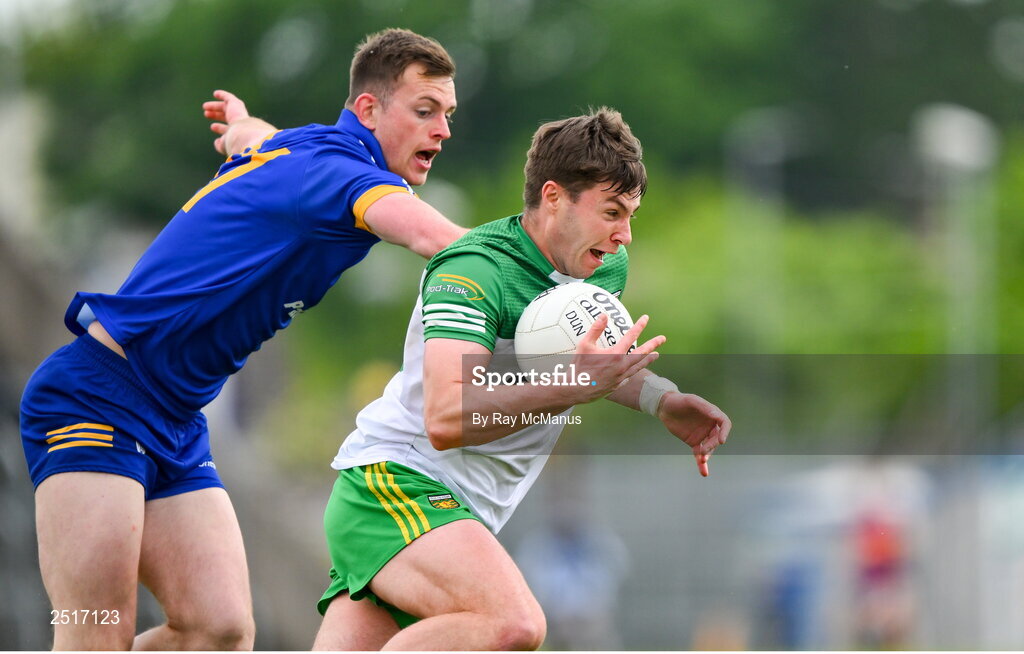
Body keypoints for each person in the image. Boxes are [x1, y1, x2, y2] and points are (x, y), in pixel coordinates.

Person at [19, 28, 466, 650]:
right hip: (97, 399)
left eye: (446, 114)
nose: (442, 130)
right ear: (368, 109)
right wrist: (542, 271)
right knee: (95, 632)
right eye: (425, 111)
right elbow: (436, 239)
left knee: (219, 629)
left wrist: (241, 126)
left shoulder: (305, 149)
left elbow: (260, 142)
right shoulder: (343, 178)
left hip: (176, 420)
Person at [313, 108, 731, 650]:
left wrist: (660, 399)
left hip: (460, 509)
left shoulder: (601, 266)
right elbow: (446, 417)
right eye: (611, 211)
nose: (625, 235)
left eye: (631, 215)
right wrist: (573, 384)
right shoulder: (474, 270)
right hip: (396, 486)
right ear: (554, 197)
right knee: (514, 625)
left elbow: (581, 363)